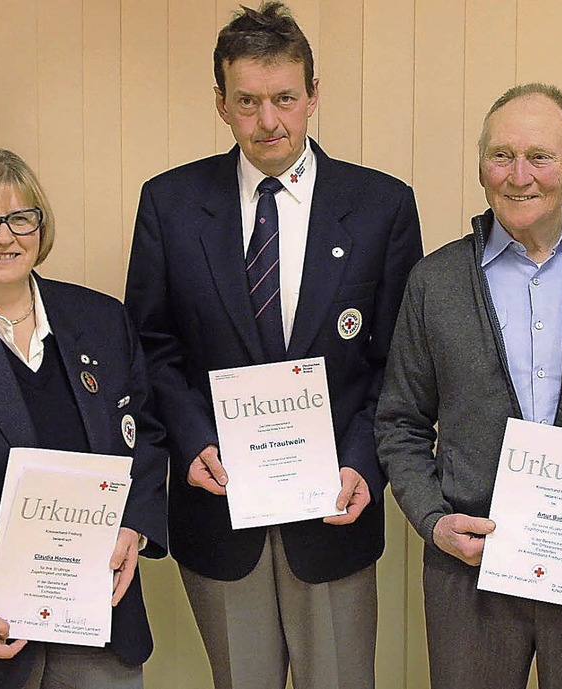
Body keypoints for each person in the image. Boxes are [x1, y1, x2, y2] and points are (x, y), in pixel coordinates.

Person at [124, 2, 422, 687]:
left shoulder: (382, 206)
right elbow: (151, 345)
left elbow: (399, 365)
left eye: (286, 98)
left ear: (313, 95)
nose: (269, 122)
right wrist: (192, 437)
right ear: (221, 103)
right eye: (249, 101)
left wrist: (360, 463)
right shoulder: (170, 204)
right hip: (219, 508)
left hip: (333, 512)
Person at [375, 82, 562, 689]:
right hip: (470, 571)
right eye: (501, 155)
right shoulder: (434, 283)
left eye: (540, 156)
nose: (519, 175)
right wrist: (434, 520)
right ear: (481, 168)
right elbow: (400, 423)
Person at [0, 148, 168, 689]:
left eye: (21, 218)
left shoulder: (100, 319)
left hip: (97, 616)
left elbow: (147, 433)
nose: (4, 237)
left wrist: (135, 527)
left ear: (40, 226)